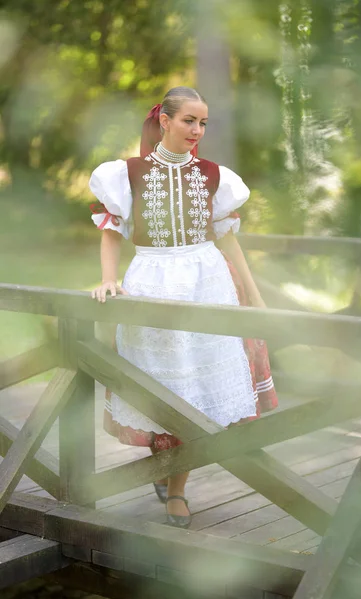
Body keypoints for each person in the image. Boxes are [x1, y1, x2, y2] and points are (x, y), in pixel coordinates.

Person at [89, 86, 278, 529]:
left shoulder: (214, 175)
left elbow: (226, 237)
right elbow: (111, 230)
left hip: (206, 283)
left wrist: (253, 293)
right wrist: (109, 278)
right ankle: (163, 462)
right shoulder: (129, 173)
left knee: (195, 389)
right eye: (189, 120)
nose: (197, 130)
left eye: (203, 122)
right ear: (166, 121)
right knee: (160, 383)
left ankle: (178, 489)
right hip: (153, 279)